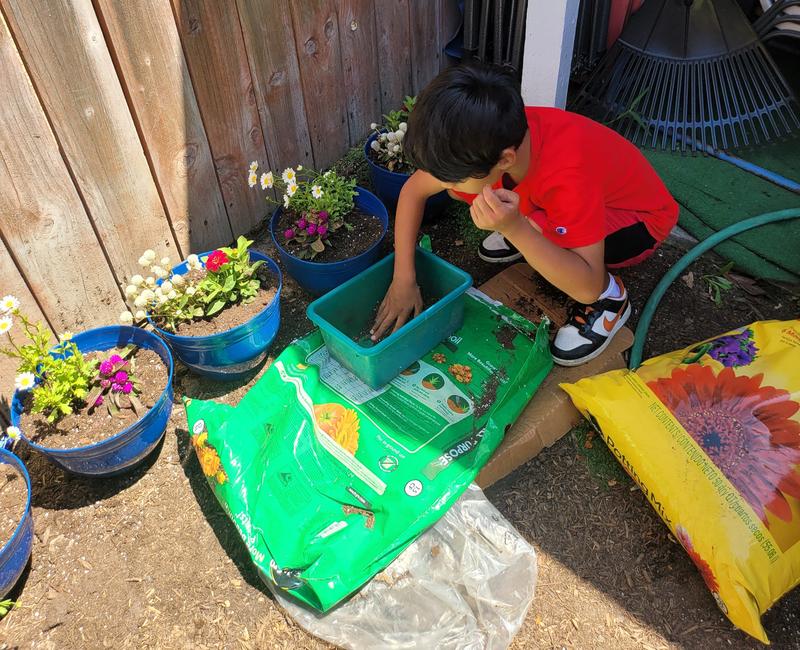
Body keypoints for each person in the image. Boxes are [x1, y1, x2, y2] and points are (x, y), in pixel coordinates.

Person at [370, 63, 679, 366]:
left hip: (638, 222)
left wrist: (516, 229)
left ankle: (611, 300)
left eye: (452, 175)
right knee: (467, 195)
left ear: (505, 159)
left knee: (556, 253)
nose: (443, 183)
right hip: (566, 203)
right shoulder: (487, 135)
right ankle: (532, 231)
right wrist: (403, 278)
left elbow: (585, 284)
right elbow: (414, 190)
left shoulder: (568, 176)